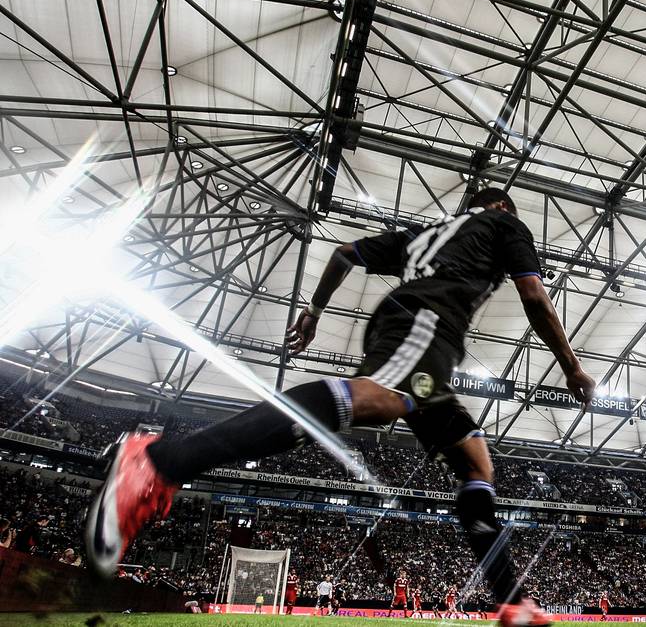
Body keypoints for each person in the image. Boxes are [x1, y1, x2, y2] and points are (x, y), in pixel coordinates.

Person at [84, 187, 595, 627]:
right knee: (383, 399)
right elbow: (534, 295)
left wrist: (315, 310)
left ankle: (513, 602)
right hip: (426, 324)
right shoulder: (505, 223)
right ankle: (159, 461)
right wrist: (571, 366)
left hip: (412, 332)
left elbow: (346, 252)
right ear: (501, 207)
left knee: (474, 462)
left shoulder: (427, 234)